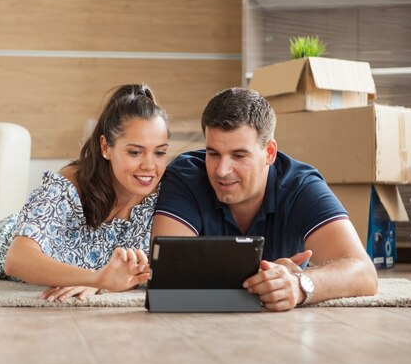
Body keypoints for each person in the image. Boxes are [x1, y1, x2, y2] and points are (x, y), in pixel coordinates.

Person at [151, 87, 378, 311]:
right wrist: (263, 278)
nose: (221, 170)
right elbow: (167, 270)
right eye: (213, 154)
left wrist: (298, 285)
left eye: (239, 155)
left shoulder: (301, 186)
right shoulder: (185, 176)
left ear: (269, 152)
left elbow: (364, 273)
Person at [0, 83, 170, 301]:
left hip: (72, 263)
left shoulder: (165, 195)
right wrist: (97, 279)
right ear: (105, 147)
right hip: (11, 242)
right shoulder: (71, 181)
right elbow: (16, 260)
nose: (149, 166)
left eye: (160, 152)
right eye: (135, 152)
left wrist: (104, 283)